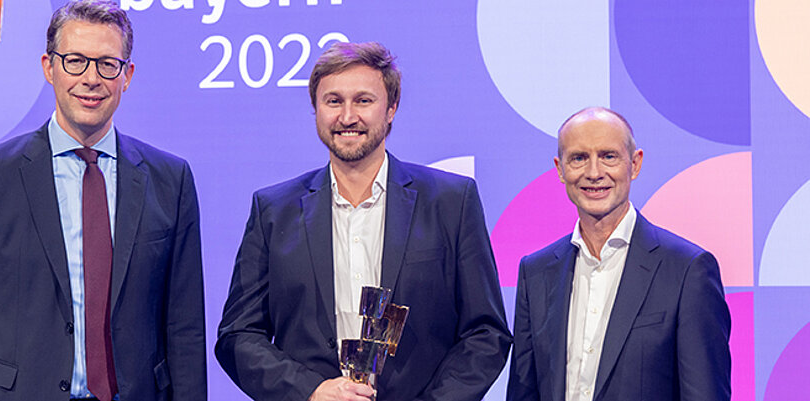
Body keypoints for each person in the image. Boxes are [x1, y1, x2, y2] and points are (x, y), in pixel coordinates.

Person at [0, 1, 206, 400]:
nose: (91, 79)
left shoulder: (171, 179)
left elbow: (185, 330)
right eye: (75, 61)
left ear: (127, 75)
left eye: (107, 64)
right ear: (49, 67)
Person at [215, 41, 512, 401]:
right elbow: (238, 335)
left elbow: (486, 333)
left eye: (364, 101)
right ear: (316, 109)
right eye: (333, 101)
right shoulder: (273, 210)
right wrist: (309, 390)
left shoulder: (451, 201)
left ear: (391, 109)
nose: (347, 116)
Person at [507, 107, 731, 401]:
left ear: (635, 164)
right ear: (560, 169)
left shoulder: (687, 270)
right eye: (579, 158)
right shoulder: (535, 272)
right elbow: (524, 393)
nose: (594, 173)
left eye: (608, 156)